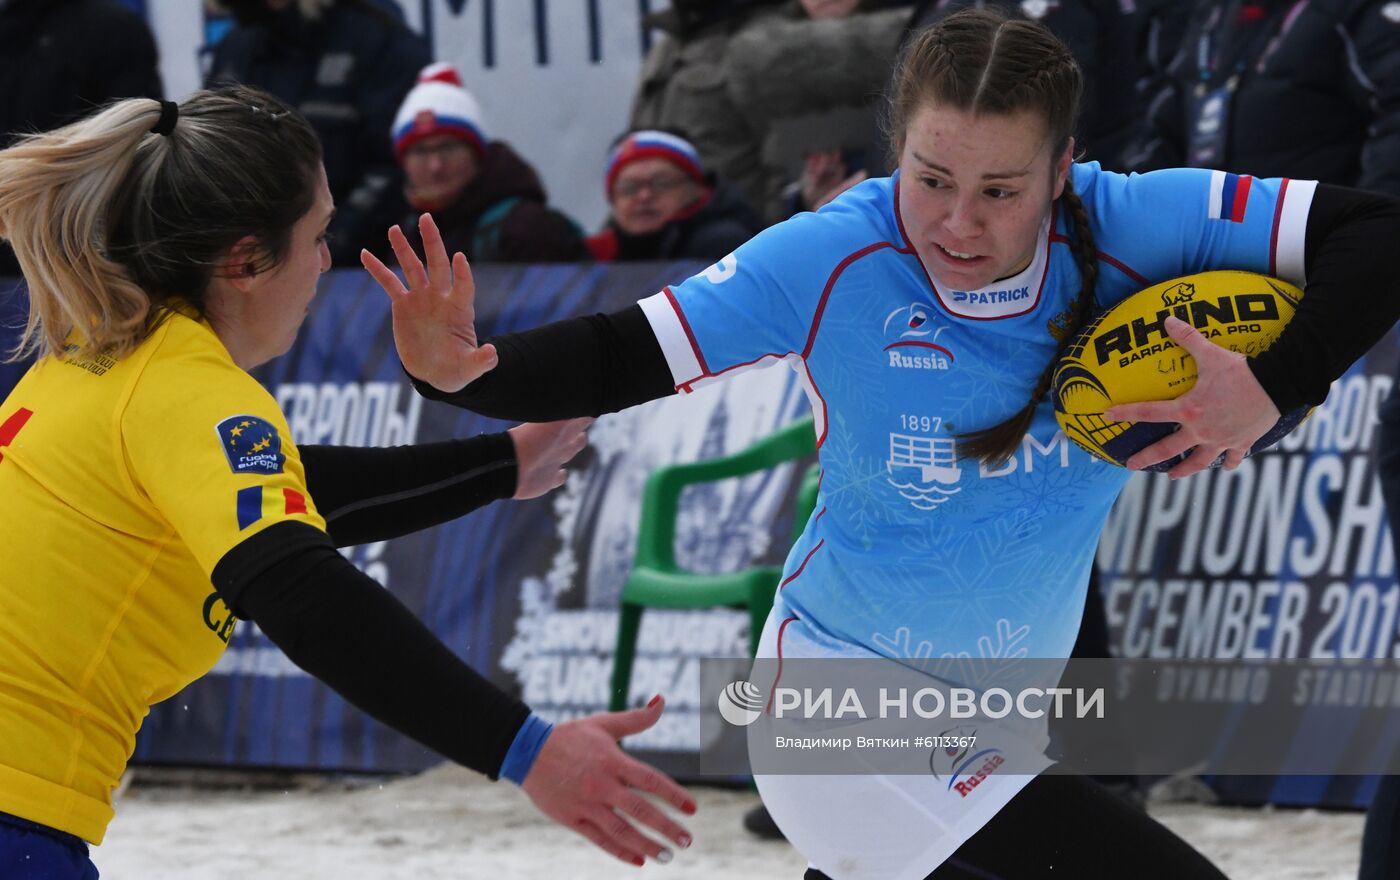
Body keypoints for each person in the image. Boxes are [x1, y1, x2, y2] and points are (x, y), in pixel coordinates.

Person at [364, 8, 1400, 877]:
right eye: (929, 178)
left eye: (1000, 191)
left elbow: (1377, 234)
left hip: (995, 723)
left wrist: (1270, 383)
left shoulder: (1136, 224)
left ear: (1063, 171)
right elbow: (618, 352)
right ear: (890, 149)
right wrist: (461, 370)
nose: (956, 223)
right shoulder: (835, 254)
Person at [0, 86, 695, 879]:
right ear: (245, 260)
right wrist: (530, 751)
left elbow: (286, 496)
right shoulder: (187, 388)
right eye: (318, 236)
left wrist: (500, 465)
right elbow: (301, 588)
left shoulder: (99, 353)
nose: (326, 263)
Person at [207, 0, 430, 266]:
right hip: (250, 266)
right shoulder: (237, 45)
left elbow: (394, 164)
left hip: (354, 275)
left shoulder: (379, 39)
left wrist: (323, 246)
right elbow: (210, 160)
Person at [390, 63, 587, 264]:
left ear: (476, 155)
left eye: (447, 148)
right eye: (421, 152)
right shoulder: (405, 236)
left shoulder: (527, 228)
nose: (435, 166)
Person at [586, 130, 763, 262]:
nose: (644, 196)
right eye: (629, 188)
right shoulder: (595, 256)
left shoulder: (725, 245)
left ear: (697, 189)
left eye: (662, 183)